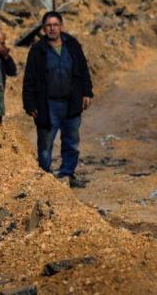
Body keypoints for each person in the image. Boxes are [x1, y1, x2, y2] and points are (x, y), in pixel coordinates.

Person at [23, 11, 93, 188]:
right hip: (48, 104)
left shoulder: (72, 45)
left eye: (55, 25)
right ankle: (46, 179)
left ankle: (67, 174)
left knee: (72, 141)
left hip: (71, 102)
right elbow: (29, 79)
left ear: (61, 26)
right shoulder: (38, 50)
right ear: (44, 29)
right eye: (48, 26)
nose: (52, 28)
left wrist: (87, 92)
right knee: (45, 143)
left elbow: (83, 70)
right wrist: (30, 104)